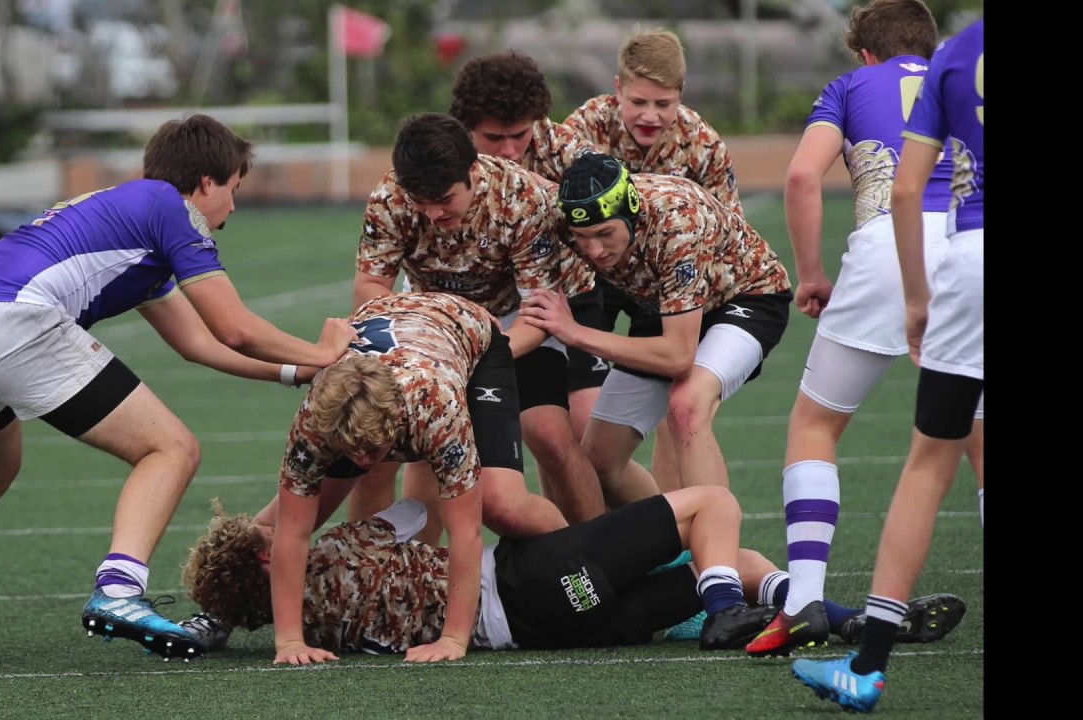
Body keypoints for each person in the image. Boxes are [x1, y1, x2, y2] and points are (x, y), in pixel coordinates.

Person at [0, 114, 357, 666]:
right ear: (206, 182)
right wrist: (324, 352)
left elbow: (196, 343)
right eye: (233, 190)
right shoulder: (171, 210)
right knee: (171, 448)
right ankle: (119, 592)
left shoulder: (132, 214)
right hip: (12, 320)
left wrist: (291, 373)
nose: (232, 208)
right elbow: (233, 327)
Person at [744, 0, 984, 659]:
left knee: (816, 424)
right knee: (975, 441)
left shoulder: (851, 85)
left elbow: (800, 176)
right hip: (968, 249)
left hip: (888, 247)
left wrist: (814, 273)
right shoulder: (957, 74)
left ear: (864, 53)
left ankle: (803, 601)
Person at [177, 494, 966, 656]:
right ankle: (732, 606)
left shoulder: (307, 626)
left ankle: (839, 618)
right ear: (261, 556)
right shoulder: (337, 548)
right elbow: (416, 508)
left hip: (560, 630)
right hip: (526, 580)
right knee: (712, 507)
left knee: (733, 562)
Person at [346, 56, 610, 528]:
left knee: (551, 434)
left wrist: (477, 358)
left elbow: (538, 310)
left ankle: (600, 554)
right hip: (431, 322)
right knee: (402, 453)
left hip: (511, 320)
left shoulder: (525, 196)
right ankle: (416, 583)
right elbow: (371, 285)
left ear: (473, 167)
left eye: (444, 201)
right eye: (420, 204)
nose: (432, 215)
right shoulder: (389, 199)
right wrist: (402, 348)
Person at [259, 291, 570, 665]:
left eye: (372, 451)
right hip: (391, 326)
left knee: (503, 507)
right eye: (351, 451)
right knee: (287, 520)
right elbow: (292, 532)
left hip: (466, 331)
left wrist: (454, 638)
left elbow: (465, 531)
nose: (362, 460)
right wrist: (290, 640)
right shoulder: (313, 423)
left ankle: (577, 556)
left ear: (397, 424)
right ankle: (214, 617)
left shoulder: (434, 408)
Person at [523, 152, 792, 508]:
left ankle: (716, 555)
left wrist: (575, 333)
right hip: (666, 305)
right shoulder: (561, 215)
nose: (593, 250)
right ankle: (673, 542)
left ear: (631, 212)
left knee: (686, 405)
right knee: (599, 464)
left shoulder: (678, 220)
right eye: (581, 237)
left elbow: (679, 358)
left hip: (745, 298)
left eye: (605, 233)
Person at [565, 28, 745, 498]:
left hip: (672, 281)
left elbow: (731, 231)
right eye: (639, 101)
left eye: (663, 104)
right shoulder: (581, 130)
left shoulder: (702, 143)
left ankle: (678, 532)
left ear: (680, 97)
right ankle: (593, 535)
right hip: (597, 273)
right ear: (617, 88)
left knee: (679, 409)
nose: (650, 115)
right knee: (581, 424)